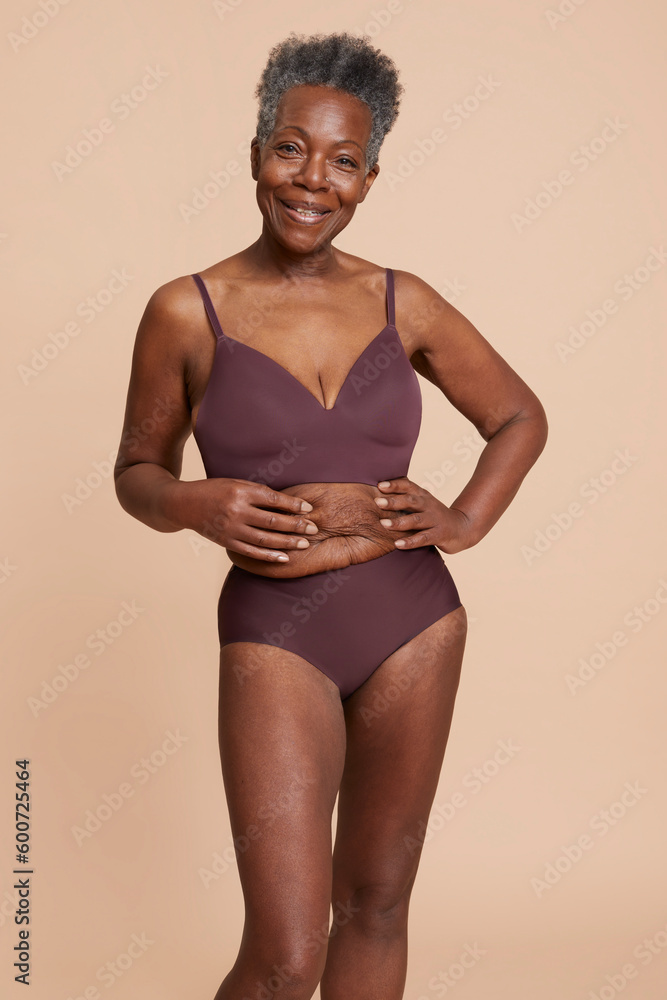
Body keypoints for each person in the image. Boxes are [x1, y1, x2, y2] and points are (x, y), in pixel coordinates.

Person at [114, 30, 548, 1000]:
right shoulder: (188, 310)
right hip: (277, 631)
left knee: (377, 908)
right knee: (284, 956)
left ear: (370, 177)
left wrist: (467, 519)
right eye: (291, 149)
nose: (313, 178)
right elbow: (137, 471)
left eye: (343, 161)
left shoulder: (404, 301)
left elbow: (520, 414)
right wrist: (195, 501)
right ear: (256, 153)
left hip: (414, 621)